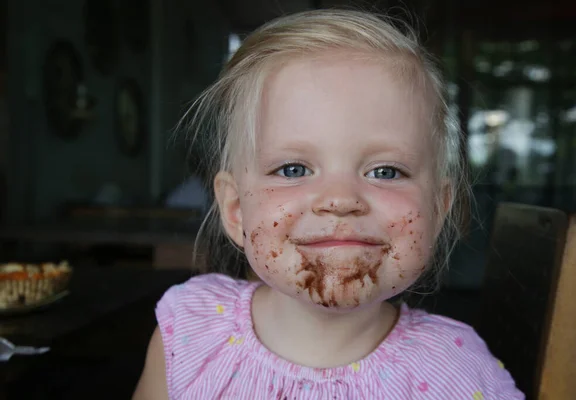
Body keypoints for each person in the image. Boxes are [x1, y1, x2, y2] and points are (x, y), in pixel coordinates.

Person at [133, 9, 524, 399]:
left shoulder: (458, 373)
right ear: (235, 210)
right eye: (292, 169)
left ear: (438, 210)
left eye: (385, 171)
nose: (340, 200)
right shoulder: (188, 332)